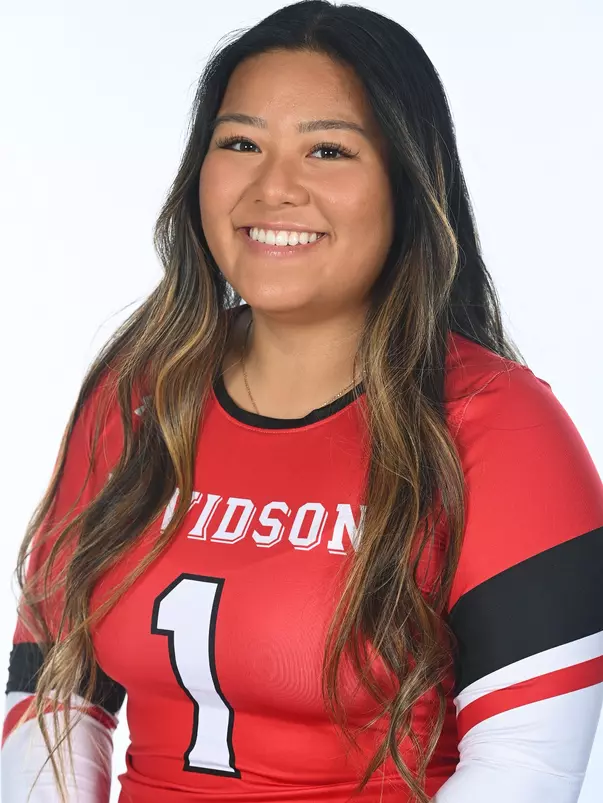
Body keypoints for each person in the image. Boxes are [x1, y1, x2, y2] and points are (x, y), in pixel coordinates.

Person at [3, 1, 603, 801]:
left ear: (407, 182)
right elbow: (53, 695)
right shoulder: (139, 392)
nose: (273, 187)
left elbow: (526, 767)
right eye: (240, 143)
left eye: (328, 150)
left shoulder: (500, 427)